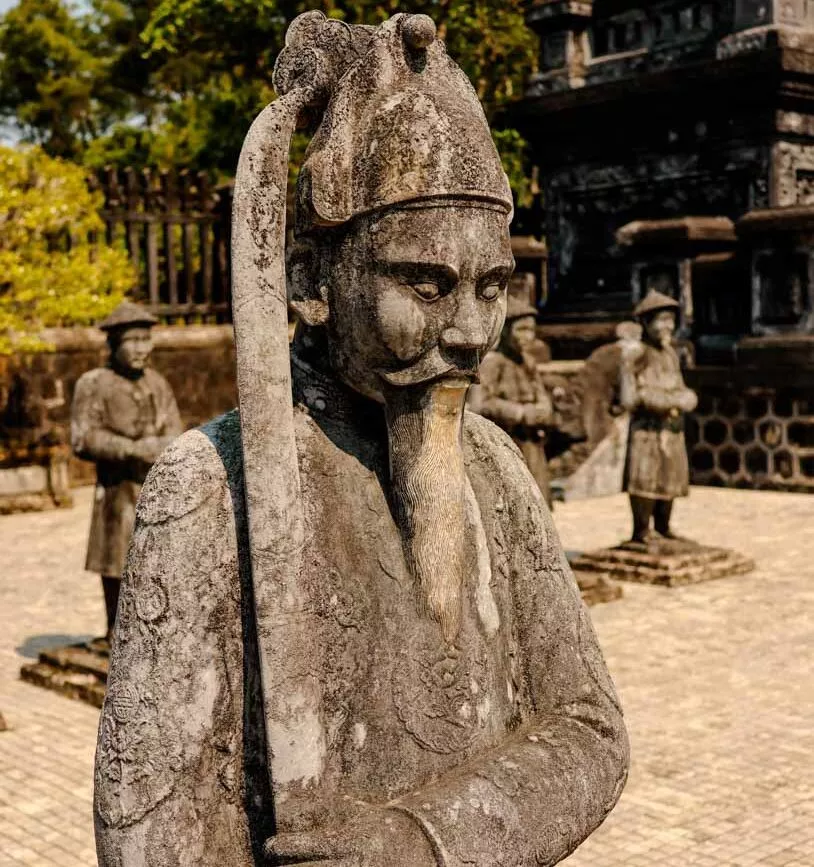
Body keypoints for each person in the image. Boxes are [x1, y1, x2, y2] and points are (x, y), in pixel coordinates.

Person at [94, 13, 628, 867]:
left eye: (491, 287)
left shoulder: (493, 467)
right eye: (425, 283)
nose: (468, 332)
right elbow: (148, 826)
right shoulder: (208, 487)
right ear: (311, 282)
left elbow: (591, 730)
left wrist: (418, 840)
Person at [71, 301, 182, 640]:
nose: (140, 349)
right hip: (117, 488)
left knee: (158, 561)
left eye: (145, 339)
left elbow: (177, 429)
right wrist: (130, 448)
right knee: (116, 560)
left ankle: (153, 632)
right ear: (114, 344)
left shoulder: (157, 383)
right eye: (132, 341)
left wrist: (162, 445)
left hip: (155, 485)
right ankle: (114, 633)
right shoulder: (94, 384)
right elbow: (83, 436)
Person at [619, 290, 698, 544]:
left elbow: (681, 387)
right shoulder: (636, 354)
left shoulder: (670, 354)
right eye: (661, 320)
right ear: (645, 323)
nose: (667, 326)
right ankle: (642, 530)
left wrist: (684, 398)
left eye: (670, 320)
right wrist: (667, 401)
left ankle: (664, 526)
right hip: (647, 429)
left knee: (670, 476)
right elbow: (630, 398)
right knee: (646, 478)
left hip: (671, 428)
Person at [468, 284, 555, 505]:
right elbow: (480, 405)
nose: (527, 337)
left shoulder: (528, 362)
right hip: (506, 438)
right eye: (521, 330)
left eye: (531, 330)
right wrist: (520, 412)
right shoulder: (492, 363)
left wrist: (544, 408)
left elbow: (540, 392)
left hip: (532, 441)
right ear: (506, 331)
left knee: (538, 499)